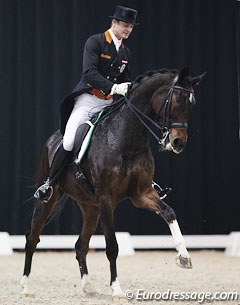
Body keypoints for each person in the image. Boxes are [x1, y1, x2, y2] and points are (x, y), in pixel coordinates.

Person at [34, 5, 139, 203]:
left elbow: (125, 78)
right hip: (88, 99)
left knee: (128, 133)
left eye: (131, 27)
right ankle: (49, 183)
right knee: (69, 141)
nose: (128, 30)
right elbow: (90, 72)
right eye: (125, 25)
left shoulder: (125, 52)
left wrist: (130, 89)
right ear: (114, 23)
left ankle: (145, 180)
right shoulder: (96, 42)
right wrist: (113, 88)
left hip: (108, 104)